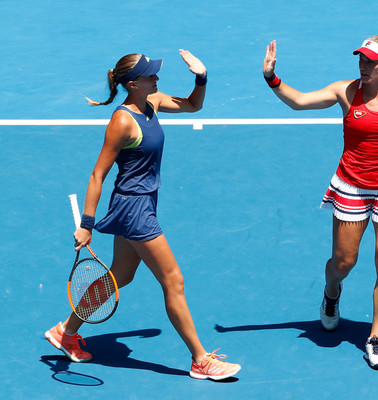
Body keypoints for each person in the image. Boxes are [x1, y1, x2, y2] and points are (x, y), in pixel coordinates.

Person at [45, 51, 241, 381]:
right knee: (173, 281)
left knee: (121, 274)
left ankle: (65, 331)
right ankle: (201, 359)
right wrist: (87, 225)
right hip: (134, 209)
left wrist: (201, 76)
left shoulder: (153, 102)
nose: (157, 79)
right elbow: (98, 174)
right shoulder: (122, 121)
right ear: (133, 85)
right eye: (151, 76)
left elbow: (194, 106)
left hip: (143, 203)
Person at [262, 36, 378, 369]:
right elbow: (300, 102)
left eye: (370, 61)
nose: (362, 66)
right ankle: (331, 293)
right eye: (360, 60)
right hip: (351, 188)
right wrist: (272, 78)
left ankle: (375, 337)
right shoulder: (345, 91)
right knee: (343, 263)